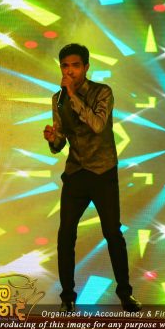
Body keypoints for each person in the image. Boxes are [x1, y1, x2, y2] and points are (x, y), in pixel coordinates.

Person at [43, 43, 141, 313]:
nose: (69, 71)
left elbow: (97, 125)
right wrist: (53, 139)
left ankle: (125, 294)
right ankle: (67, 297)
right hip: (76, 172)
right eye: (65, 66)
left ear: (86, 67)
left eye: (75, 66)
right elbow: (61, 142)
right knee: (66, 234)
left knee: (112, 233)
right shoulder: (57, 99)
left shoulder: (102, 92)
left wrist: (72, 95)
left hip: (102, 172)